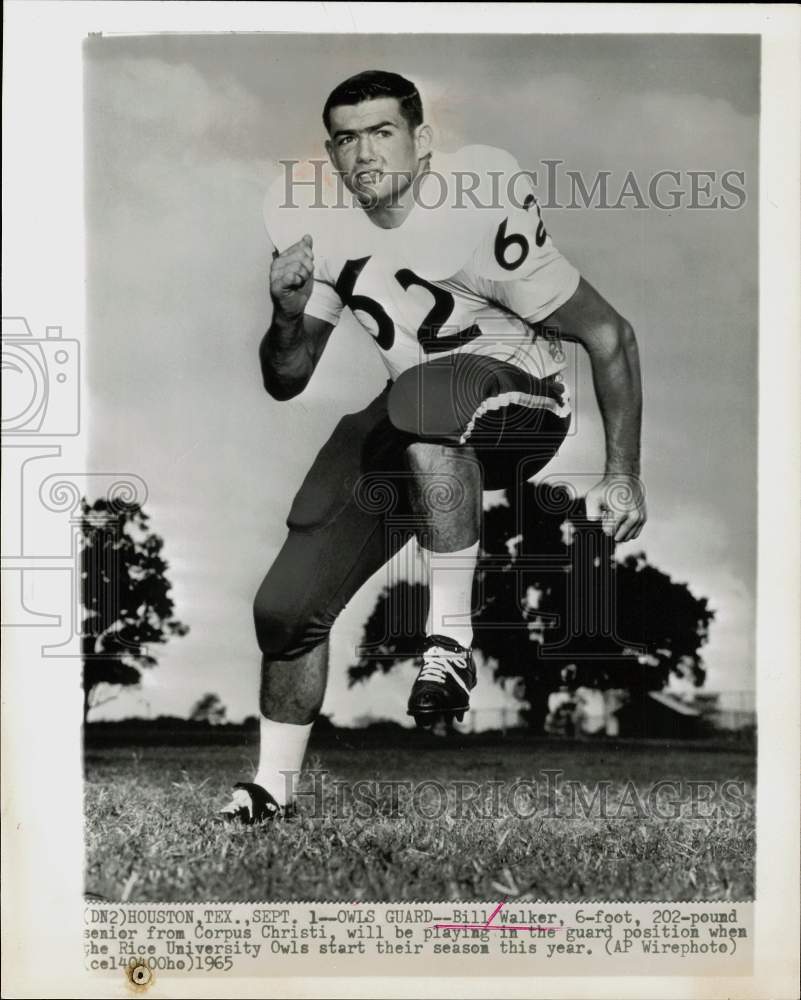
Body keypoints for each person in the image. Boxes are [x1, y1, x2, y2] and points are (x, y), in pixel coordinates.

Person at [221, 70, 646, 823]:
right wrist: (285, 314)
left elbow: (609, 334)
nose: (364, 153)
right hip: (422, 416)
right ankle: (272, 789)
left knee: (423, 398)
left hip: (522, 400)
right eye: (346, 139)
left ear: (422, 141)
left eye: (382, 132)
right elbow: (286, 379)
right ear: (330, 152)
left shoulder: (475, 206)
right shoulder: (322, 227)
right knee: (286, 607)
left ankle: (448, 640)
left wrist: (621, 473)